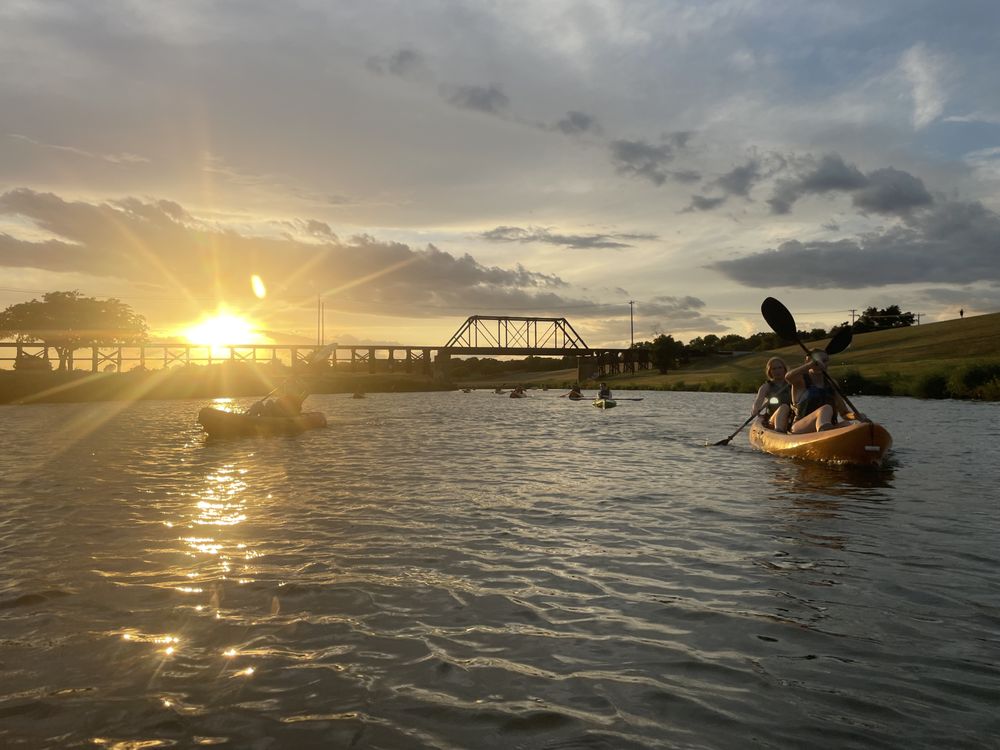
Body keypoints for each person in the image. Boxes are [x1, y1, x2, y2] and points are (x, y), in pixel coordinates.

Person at [785, 350, 864, 433]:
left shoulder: (831, 383)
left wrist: (855, 416)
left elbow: (844, 413)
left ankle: (827, 430)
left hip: (829, 426)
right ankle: (824, 430)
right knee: (826, 408)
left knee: (846, 424)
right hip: (800, 427)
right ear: (808, 362)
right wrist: (810, 365)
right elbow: (788, 377)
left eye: (825, 361)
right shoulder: (800, 381)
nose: (821, 364)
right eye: (817, 361)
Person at [751, 357, 792, 432]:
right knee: (784, 407)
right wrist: (755, 410)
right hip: (772, 419)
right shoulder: (766, 386)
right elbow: (758, 401)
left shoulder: (792, 384)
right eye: (774, 369)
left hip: (791, 418)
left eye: (780, 368)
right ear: (770, 371)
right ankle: (778, 430)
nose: (777, 371)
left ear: (784, 369)